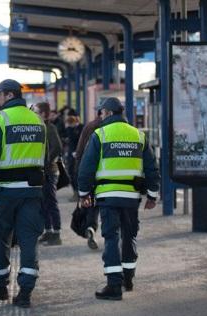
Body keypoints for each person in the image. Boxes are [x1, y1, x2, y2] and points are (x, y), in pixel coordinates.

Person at [0, 79, 46, 308]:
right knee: (29, 239)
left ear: (10, 95)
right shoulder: (38, 120)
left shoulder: (0, 120)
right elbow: (46, 154)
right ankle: (25, 293)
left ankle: (0, 285)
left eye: (0, 95)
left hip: (4, 192)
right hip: (32, 191)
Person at [77, 97, 160, 300]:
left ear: (108, 113)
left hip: (108, 196)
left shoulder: (101, 134)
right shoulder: (138, 135)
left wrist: (84, 193)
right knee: (129, 234)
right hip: (131, 196)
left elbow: (86, 167)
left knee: (112, 236)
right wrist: (152, 194)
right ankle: (128, 278)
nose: (100, 116)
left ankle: (114, 285)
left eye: (102, 112)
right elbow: (151, 167)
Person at [32, 102, 63, 246]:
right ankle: (48, 231)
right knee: (43, 203)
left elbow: (57, 147)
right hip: (42, 171)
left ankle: (56, 234)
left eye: (36, 111)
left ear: (44, 114)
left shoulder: (49, 128)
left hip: (50, 171)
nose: (34, 114)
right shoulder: (39, 128)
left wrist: (46, 162)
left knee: (50, 202)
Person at [74, 109, 103, 250]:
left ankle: (91, 227)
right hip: (107, 174)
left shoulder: (89, 127)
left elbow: (79, 152)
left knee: (92, 205)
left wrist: (78, 176)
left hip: (90, 174)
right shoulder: (112, 128)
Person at [65, 111, 83, 201]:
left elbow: (74, 139)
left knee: (76, 174)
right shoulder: (71, 129)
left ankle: (78, 193)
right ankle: (76, 192)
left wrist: (69, 129)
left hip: (78, 155)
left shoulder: (81, 127)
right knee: (71, 174)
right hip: (71, 155)